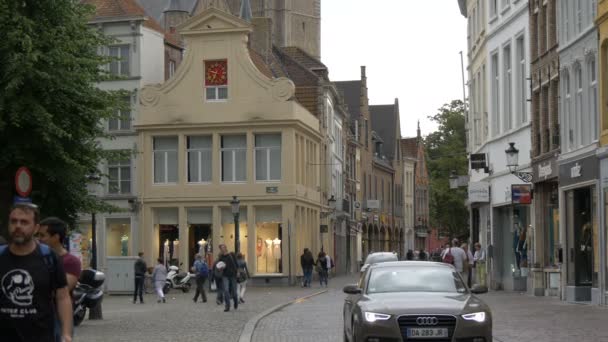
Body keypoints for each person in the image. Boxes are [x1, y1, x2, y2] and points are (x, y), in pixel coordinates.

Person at [0, 203, 73, 342]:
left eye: (24, 222)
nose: (18, 226)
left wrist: (66, 333)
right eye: (13, 221)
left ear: (36, 228)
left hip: (41, 336)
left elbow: (62, 297)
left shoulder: (49, 258)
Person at [37, 217, 82, 342]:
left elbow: (62, 289)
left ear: (56, 237)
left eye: (42, 235)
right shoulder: (36, 259)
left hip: (58, 316)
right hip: (37, 315)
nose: (39, 239)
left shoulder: (71, 262)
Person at [218, 244, 238, 312]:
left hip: (233, 275)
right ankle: (227, 306)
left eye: (224, 247)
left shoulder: (231, 255)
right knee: (226, 290)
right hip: (225, 275)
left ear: (226, 248)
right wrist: (220, 268)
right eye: (221, 248)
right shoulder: (221, 257)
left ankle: (236, 301)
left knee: (234, 292)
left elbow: (236, 264)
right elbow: (219, 266)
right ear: (220, 249)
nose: (223, 249)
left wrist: (237, 272)